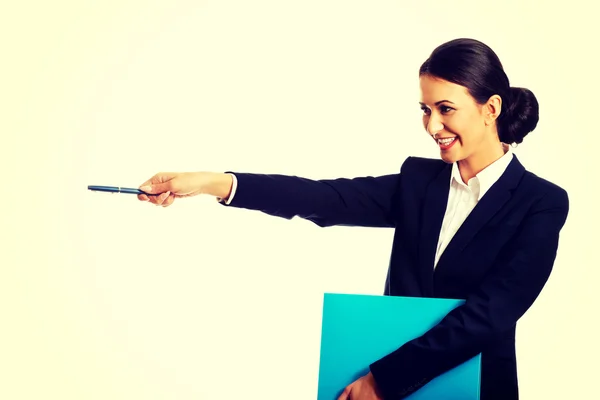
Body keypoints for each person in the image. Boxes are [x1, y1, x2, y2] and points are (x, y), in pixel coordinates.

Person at [137, 38, 569, 400]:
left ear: (490, 108)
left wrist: (383, 380)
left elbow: (490, 314)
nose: (431, 124)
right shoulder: (420, 182)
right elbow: (325, 197)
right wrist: (215, 182)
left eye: (445, 109)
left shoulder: (540, 202)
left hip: (465, 389)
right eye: (423, 109)